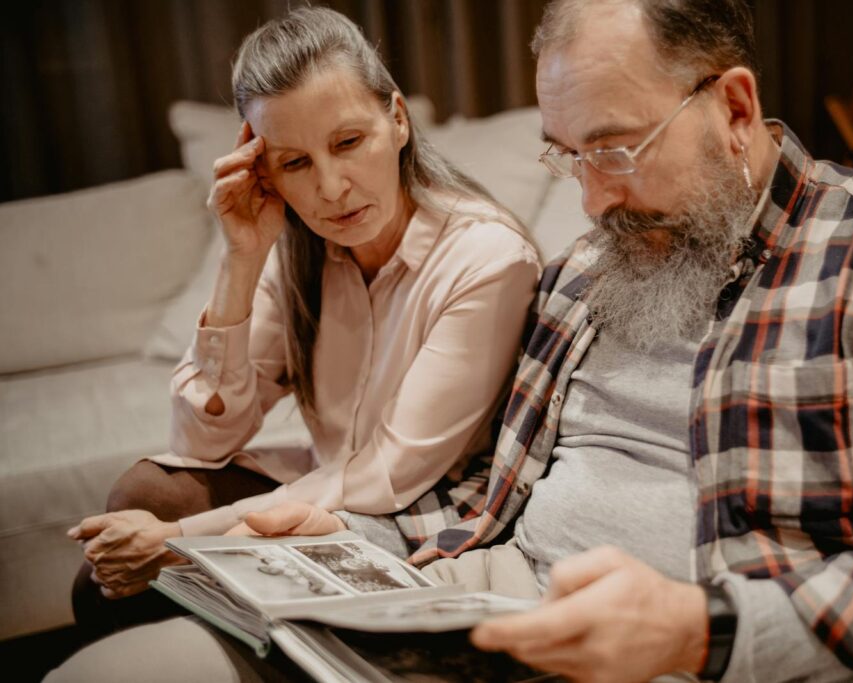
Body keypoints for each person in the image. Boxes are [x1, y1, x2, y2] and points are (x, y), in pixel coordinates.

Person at [51, 0, 853, 681]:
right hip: (485, 606)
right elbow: (485, 492)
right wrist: (341, 533)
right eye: (568, 156)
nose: (590, 198)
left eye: (614, 148)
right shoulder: (585, 274)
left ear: (731, 106)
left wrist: (700, 629)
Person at [66, 5, 540, 641]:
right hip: (335, 483)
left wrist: (181, 538)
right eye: (295, 163)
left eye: (348, 143)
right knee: (144, 494)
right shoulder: (296, 253)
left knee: (133, 551)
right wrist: (241, 257)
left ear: (396, 119)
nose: (333, 188)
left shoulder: (486, 257)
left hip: (430, 505)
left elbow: (390, 472)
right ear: (265, 171)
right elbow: (202, 443)